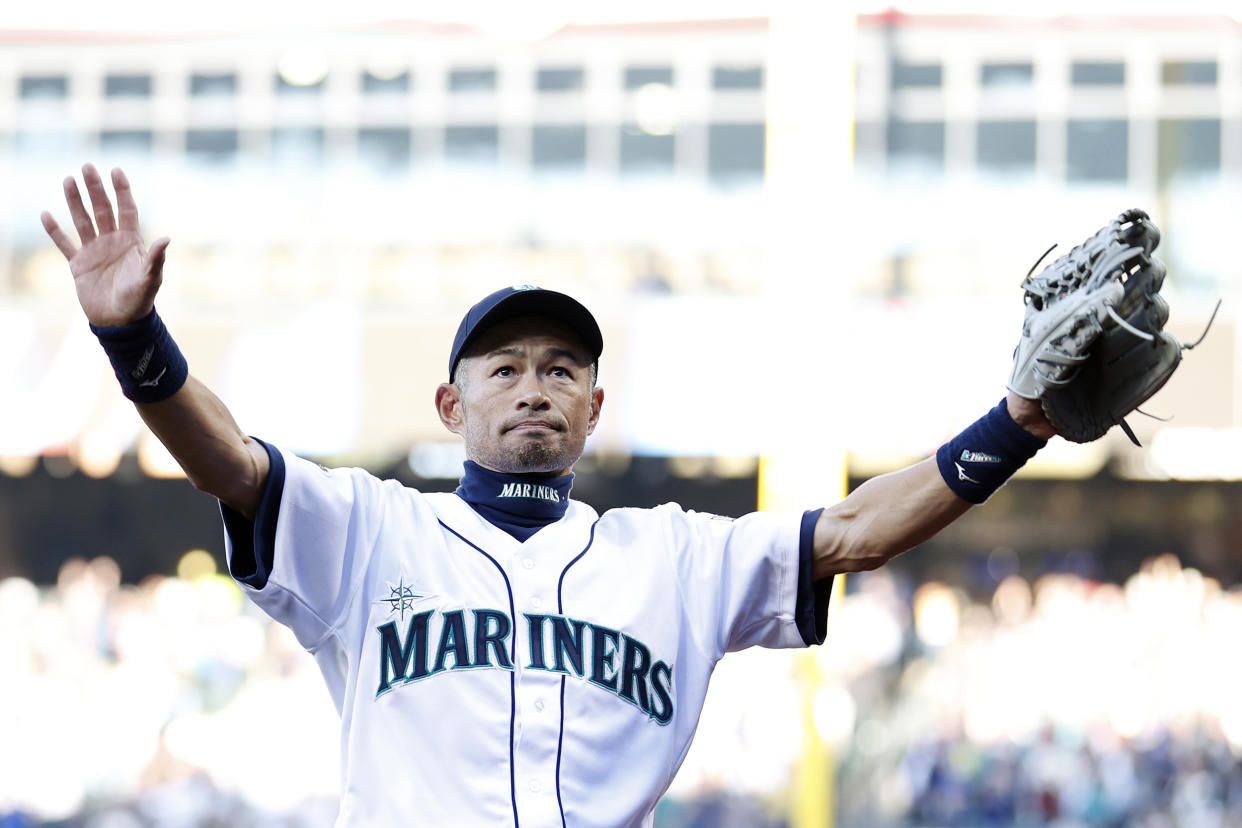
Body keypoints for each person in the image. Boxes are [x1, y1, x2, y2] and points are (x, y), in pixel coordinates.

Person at [43, 164, 1057, 827]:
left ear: (595, 407)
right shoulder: (370, 531)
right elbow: (231, 465)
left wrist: (1021, 423)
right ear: (451, 404)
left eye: (563, 368)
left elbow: (851, 532)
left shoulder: (671, 558)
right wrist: (134, 341)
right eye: (506, 367)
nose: (535, 385)